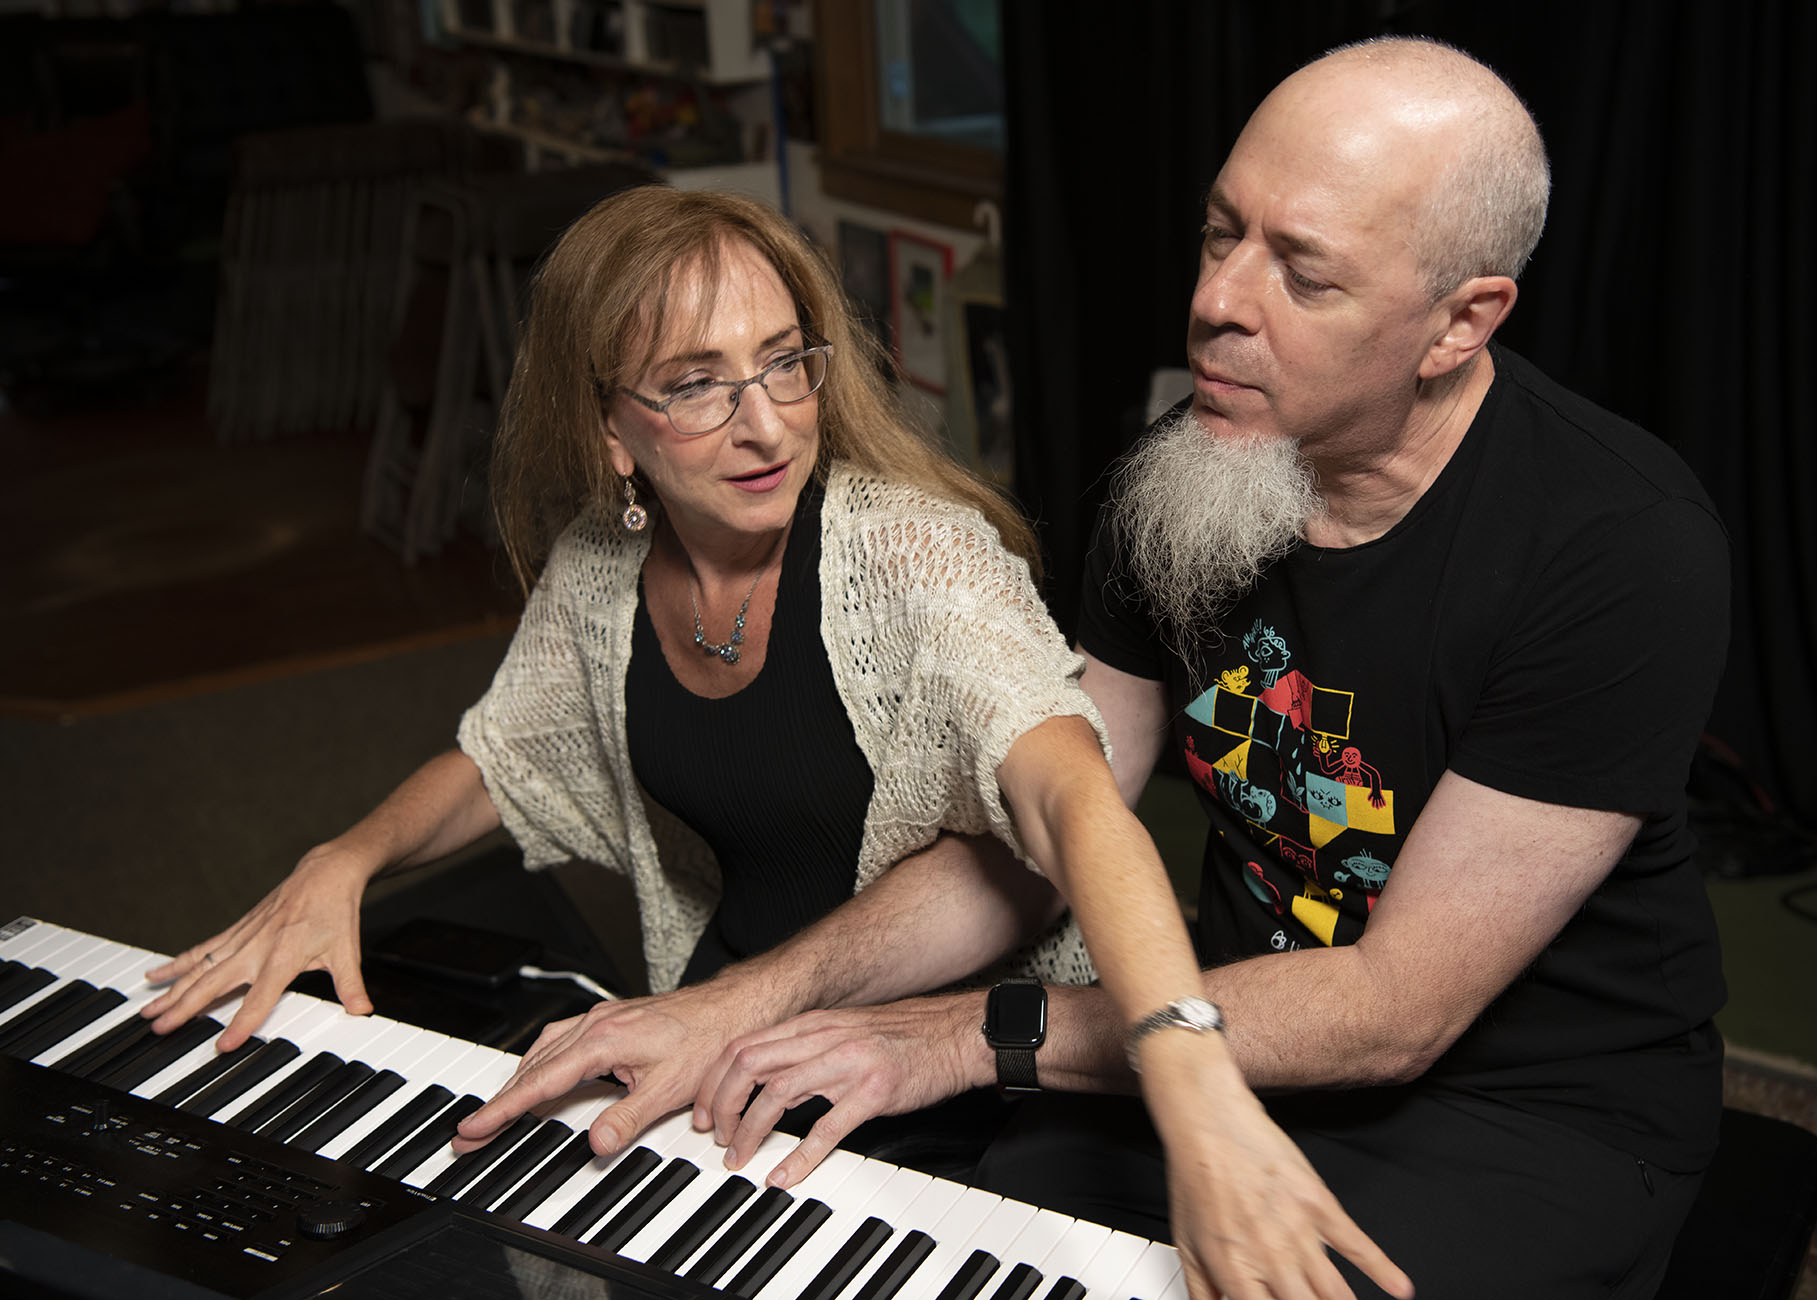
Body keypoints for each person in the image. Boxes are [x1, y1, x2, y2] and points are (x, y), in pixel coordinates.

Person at [138, 185, 1402, 1300]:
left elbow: (1078, 800)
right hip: (725, 1037)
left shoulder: (913, 557)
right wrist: (347, 855)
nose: (766, 426)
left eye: (784, 362)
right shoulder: (598, 571)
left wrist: (1189, 1077)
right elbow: (501, 756)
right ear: (608, 432)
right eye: (695, 383)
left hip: (949, 1069)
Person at [696, 36, 1732, 1300]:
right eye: (1220, 234)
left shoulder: (1619, 545)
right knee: (908, 1231)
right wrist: (754, 999)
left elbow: (1400, 1006)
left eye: (1302, 273)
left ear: (1460, 321)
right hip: (1219, 1032)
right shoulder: (1189, 468)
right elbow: (1055, 825)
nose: (1219, 303)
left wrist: (974, 1035)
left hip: (1527, 1111)